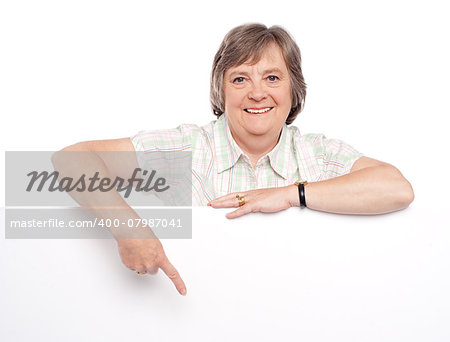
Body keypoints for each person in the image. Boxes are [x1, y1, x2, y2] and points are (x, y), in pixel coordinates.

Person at [55, 23, 414, 296]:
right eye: (240, 78)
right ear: (221, 90)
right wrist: (129, 230)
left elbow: (397, 189)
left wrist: (291, 193)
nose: (257, 93)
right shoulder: (187, 146)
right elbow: (70, 161)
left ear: (294, 90)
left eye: (272, 77)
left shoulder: (316, 153)